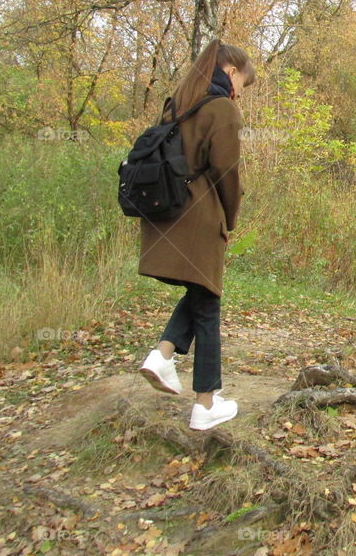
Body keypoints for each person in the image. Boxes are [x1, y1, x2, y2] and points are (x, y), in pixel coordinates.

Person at [136, 38, 255, 430]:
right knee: (208, 303)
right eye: (243, 83)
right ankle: (205, 405)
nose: (241, 93)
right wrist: (231, 219)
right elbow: (226, 173)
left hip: (166, 213)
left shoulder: (178, 103)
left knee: (202, 294)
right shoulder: (222, 109)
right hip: (200, 215)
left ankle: (164, 354)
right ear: (231, 72)